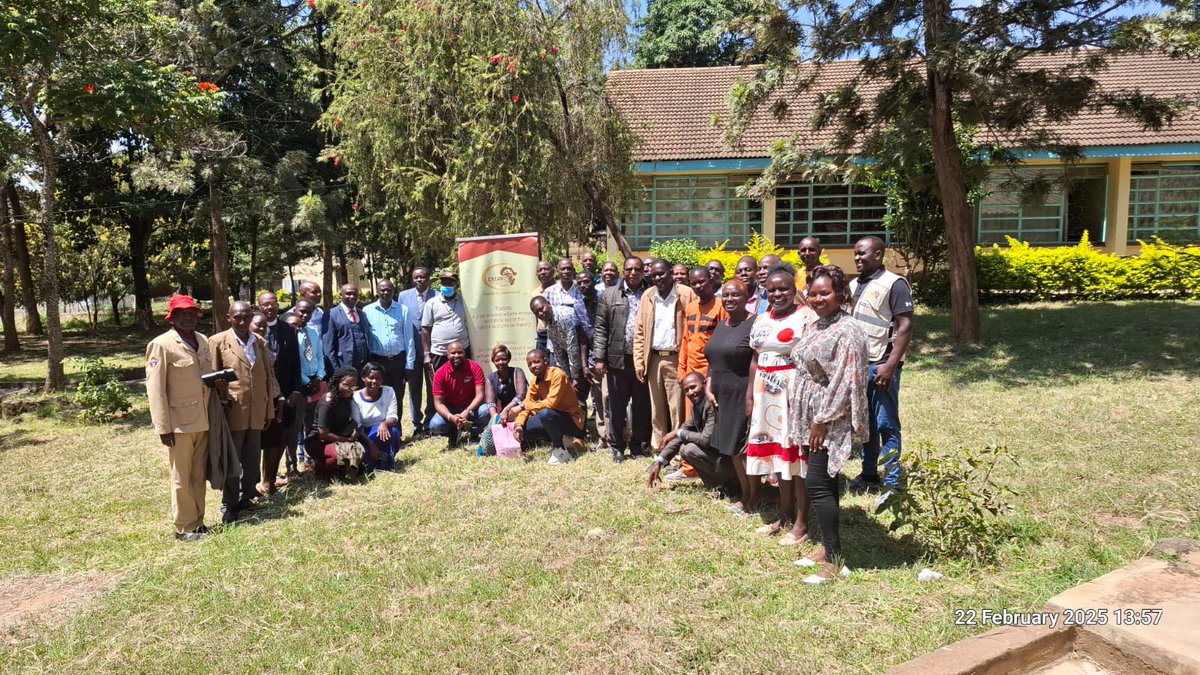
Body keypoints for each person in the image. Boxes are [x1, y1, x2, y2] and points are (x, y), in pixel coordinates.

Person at [788, 265, 870, 582]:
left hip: (829, 418)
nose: (818, 298)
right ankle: (825, 548)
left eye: (825, 293)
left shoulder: (848, 330)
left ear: (841, 294)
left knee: (817, 485)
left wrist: (822, 420)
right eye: (813, 293)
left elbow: (846, 381)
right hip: (812, 414)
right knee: (825, 483)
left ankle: (834, 562)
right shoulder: (820, 324)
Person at [745, 265, 815, 546]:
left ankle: (801, 523)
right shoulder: (761, 319)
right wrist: (750, 396)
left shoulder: (806, 317)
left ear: (793, 289)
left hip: (793, 393)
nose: (777, 294)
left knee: (797, 459)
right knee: (778, 458)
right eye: (772, 289)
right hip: (765, 395)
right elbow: (754, 358)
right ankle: (784, 516)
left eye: (783, 288)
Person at [146, 294, 218, 541]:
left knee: (198, 474)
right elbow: (155, 389)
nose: (188, 318)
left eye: (192, 313)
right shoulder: (161, 345)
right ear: (172, 318)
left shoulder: (202, 340)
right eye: (182, 314)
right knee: (182, 476)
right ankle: (184, 527)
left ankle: (198, 522)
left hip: (203, 419)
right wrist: (163, 427)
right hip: (179, 423)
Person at [847, 236, 914, 497]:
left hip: (881, 366)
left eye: (863, 254)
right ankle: (869, 474)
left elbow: (905, 327)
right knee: (865, 425)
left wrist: (890, 365)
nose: (857, 258)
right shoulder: (855, 284)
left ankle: (893, 483)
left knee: (886, 424)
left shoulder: (894, 284)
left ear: (878, 255)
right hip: (858, 366)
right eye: (855, 254)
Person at [210, 301, 281, 523]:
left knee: (251, 458)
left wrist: (268, 410)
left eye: (246, 317)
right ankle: (229, 504)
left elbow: (267, 378)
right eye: (237, 317)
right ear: (228, 317)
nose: (242, 322)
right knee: (233, 460)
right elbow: (211, 378)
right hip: (233, 411)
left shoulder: (259, 341)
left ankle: (246, 496)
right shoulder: (218, 342)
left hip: (257, 410)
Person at [703, 280, 757, 513]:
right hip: (721, 395)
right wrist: (708, 384)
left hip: (742, 393)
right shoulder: (722, 324)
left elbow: (757, 362)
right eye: (726, 295)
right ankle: (745, 494)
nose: (730, 299)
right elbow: (713, 360)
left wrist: (751, 396)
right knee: (733, 450)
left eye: (736, 295)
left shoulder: (754, 323)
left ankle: (753, 498)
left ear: (748, 297)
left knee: (743, 451)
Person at [592, 256, 651, 462]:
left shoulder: (650, 293)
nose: (633, 273)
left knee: (642, 404)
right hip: (618, 359)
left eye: (637, 269)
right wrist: (599, 358)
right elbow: (600, 328)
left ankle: (638, 446)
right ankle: (617, 446)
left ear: (643, 271)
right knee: (616, 405)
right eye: (629, 269)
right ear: (623, 272)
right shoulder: (609, 294)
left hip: (643, 359)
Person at [633, 259, 695, 449]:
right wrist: (639, 362)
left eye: (661, 273)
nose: (658, 278)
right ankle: (658, 448)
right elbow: (640, 330)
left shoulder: (686, 294)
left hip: (676, 359)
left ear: (671, 273)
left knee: (677, 407)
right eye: (654, 275)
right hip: (653, 359)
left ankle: (675, 449)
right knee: (656, 409)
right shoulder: (648, 295)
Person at [648, 372, 736, 491]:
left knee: (688, 449)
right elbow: (683, 433)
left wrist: (679, 432)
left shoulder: (712, 404)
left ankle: (732, 484)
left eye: (693, 387)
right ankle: (719, 486)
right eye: (686, 390)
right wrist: (660, 461)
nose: (690, 392)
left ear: (705, 384)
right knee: (685, 445)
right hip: (718, 457)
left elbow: (706, 439)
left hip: (732, 462)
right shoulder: (696, 405)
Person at [256, 291, 303, 496]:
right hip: (259, 397)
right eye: (265, 304)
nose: (269, 307)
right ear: (259, 307)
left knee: (279, 438)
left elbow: (295, 363)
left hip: (284, 396)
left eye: (273, 303)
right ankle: (253, 482)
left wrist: (295, 390)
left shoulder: (288, 330)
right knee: (257, 440)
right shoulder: (252, 331)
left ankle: (270, 479)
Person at [512, 349, 587, 465]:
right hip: (553, 417)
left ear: (546, 361)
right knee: (525, 428)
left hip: (572, 421)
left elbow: (551, 403)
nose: (533, 366)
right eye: (530, 364)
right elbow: (528, 404)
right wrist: (519, 425)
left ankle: (560, 450)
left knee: (545, 414)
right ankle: (566, 440)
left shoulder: (557, 374)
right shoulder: (534, 381)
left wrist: (523, 406)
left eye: (536, 362)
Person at [363, 278, 416, 431]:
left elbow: (409, 339)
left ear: (393, 291)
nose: (385, 292)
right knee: (377, 395)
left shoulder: (403, 310)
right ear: (377, 291)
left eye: (389, 290)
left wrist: (409, 364)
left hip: (397, 361)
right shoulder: (368, 311)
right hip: (377, 361)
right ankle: (377, 429)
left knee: (397, 396)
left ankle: (395, 430)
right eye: (382, 290)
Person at [304, 366, 365, 480]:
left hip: (336, 439)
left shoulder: (348, 398)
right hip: (317, 442)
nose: (349, 389)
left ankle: (333, 470)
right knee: (341, 456)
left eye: (353, 386)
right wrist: (347, 440)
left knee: (357, 453)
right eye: (346, 385)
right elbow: (323, 434)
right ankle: (317, 467)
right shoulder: (327, 403)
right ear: (338, 383)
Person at [287, 300, 324, 475]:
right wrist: (305, 381)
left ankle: (311, 457)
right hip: (298, 384)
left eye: (309, 312)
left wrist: (319, 376)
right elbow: (293, 362)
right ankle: (293, 462)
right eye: (302, 311)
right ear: (295, 310)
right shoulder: (291, 332)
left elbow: (319, 356)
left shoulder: (313, 332)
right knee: (295, 425)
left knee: (312, 422)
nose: (305, 315)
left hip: (315, 382)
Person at [399, 266, 437, 437]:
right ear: (412, 279)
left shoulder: (437, 295)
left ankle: (430, 421)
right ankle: (417, 424)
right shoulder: (403, 296)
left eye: (422, 277)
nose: (419, 280)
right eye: (416, 277)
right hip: (412, 349)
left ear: (428, 278)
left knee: (432, 386)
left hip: (432, 348)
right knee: (414, 388)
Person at [429, 341, 488, 447]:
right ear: (447, 355)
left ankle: (474, 433)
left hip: (472, 409)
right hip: (451, 410)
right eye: (453, 353)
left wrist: (467, 411)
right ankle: (453, 432)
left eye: (460, 352)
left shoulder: (475, 367)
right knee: (435, 425)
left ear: (465, 353)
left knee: (486, 410)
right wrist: (451, 417)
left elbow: (480, 395)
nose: (457, 355)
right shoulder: (440, 373)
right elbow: (438, 403)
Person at [352, 362, 402, 472]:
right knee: (366, 462)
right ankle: (380, 460)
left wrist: (384, 424)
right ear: (363, 378)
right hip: (365, 434)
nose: (374, 381)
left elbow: (393, 416)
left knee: (393, 431)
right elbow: (358, 426)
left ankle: (386, 461)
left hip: (384, 430)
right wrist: (371, 445)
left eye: (378, 378)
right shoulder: (355, 397)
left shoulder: (389, 391)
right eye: (371, 378)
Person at [678, 267, 726, 380]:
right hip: (691, 372)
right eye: (694, 283)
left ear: (711, 281)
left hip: (712, 372)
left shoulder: (721, 307)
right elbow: (685, 340)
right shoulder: (691, 307)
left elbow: (724, 343)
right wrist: (681, 370)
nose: (698, 286)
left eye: (701, 282)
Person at [422, 266, 471, 376]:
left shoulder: (464, 301)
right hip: (439, 352)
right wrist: (426, 354)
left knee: (462, 383)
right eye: (444, 283)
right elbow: (425, 330)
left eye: (450, 283)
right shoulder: (431, 303)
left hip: (461, 351)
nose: (447, 285)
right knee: (439, 385)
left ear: (456, 285)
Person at [530, 296, 583, 386]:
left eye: (541, 308)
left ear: (549, 303)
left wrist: (575, 377)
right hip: (572, 360)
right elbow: (557, 349)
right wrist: (566, 376)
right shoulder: (547, 321)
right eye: (536, 313)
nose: (540, 313)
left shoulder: (564, 316)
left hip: (583, 357)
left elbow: (572, 348)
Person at [323, 284, 372, 373]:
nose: (352, 296)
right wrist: (336, 371)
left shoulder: (362, 314)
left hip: (363, 367)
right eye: (348, 294)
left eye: (355, 294)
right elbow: (328, 347)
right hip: (344, 366)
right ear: (341, 295)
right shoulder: (331, 314)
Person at [484, 344, 528, 422]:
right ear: (493, 361)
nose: (500, 362)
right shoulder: (491, 378)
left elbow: (521, 395)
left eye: (503, 359)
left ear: (508, 359)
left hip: (517, 409)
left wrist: (506, 409)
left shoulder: (517, 372)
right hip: (500, 413)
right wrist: (495, 418)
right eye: (497, 360)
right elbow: (490, 402)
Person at [531, 259, 555, 351]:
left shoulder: (561, 288)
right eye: (540, 270)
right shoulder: (535, 293)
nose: (543, 272)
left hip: (560, 332)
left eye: (546, 269)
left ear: (553, 271)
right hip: (543, 334)